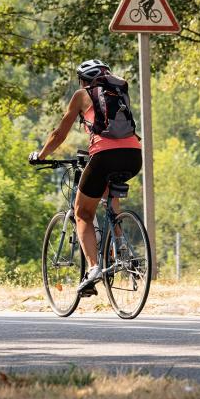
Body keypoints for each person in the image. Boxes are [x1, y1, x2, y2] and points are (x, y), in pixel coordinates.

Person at [29, 59, 142, 295]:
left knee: (82, 213)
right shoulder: (119, 91)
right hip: (133, 155)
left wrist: (41, 155)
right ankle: (121, 249)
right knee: (108, 196)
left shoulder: (82, 95)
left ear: (83, 80)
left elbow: (59, 133)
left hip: (104, 156)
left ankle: (92, 270)